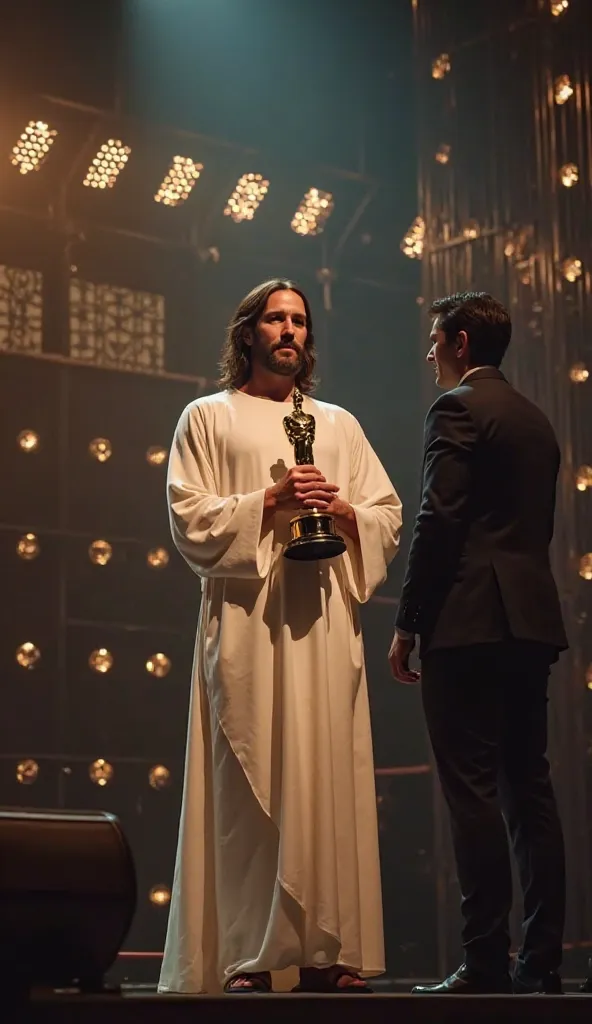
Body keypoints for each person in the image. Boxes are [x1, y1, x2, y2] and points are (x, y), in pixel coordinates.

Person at [158, 278, 402, 995]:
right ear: (248, 333)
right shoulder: (207, 417)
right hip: (246, 624)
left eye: (298, 320)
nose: (289, 330)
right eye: (275, 318)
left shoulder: (337, 424)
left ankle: (328, 953)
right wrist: (270, 500)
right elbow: (189, 516)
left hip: (324, 624)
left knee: (326, 776)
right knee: (248, 784)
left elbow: (386, 514)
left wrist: (344, 510)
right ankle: (250, 957)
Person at [388, 292, 567, 996]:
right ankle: (543, 961)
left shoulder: (456, 408)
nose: (428, 352)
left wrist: (409, 621)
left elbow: (440, 520)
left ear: (460, 342)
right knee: (531, 791)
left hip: (466, 621)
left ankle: (486, 961)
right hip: (529, 621)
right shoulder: (538, 421)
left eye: (435, 339)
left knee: (471, 794)